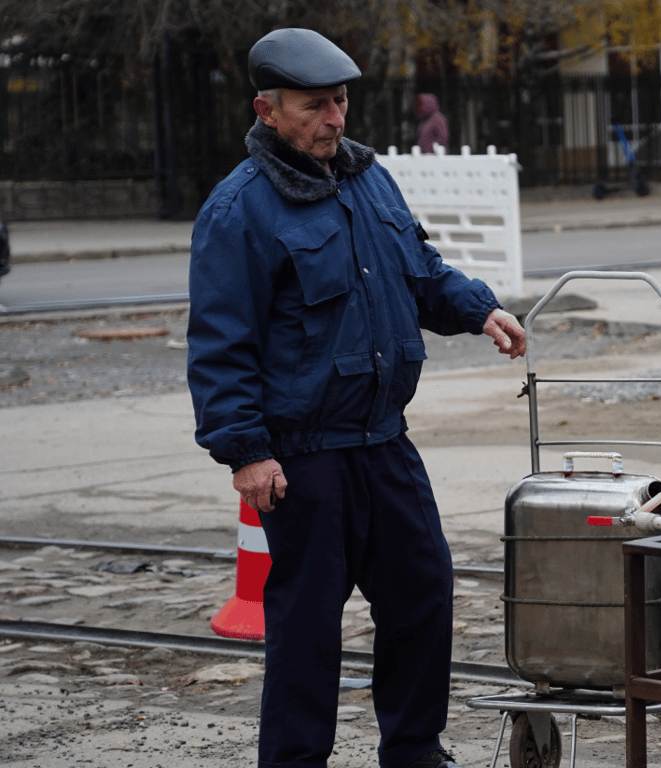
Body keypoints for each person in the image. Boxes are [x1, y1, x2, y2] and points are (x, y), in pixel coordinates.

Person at [187, 28, 525, 768]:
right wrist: (245, 451)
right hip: (303, 457)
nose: (335, 119)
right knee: (307, 628)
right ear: (268, 110)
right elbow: (220, 344)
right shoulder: (238, 210)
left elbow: (420, 270)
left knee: (424, 594)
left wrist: (477, 307)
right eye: (315, 106)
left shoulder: (369, 179)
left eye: (340, 102)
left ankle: (413, 753)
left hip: (382, 441)